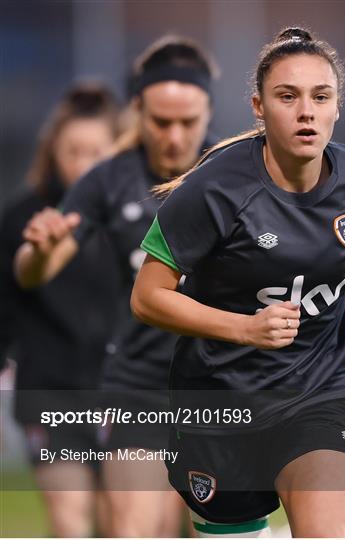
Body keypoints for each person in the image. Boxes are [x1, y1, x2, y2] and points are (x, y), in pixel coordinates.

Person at [130, 27, 345, 538]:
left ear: (338, 106)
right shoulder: (215, 189)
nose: (306, 112)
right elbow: (147, 298)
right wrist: (246, 329)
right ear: (258, 106)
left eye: (321, 97)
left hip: (319, 391)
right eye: (287, 96)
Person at [14, 35, 218, 537]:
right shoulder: (109, 179)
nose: (174, 136)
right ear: (137, 111)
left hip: (218, 382)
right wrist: (40, 248)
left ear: (208, 112)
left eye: (187, 122)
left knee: (205, 528)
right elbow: (32, 271)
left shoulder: (232, 173)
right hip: (138, 385)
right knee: (132, 529)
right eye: (160, 121)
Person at [0, 83, 120, 537]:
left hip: (124, 397)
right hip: (49, 397)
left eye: (96, 151)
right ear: (53, 152)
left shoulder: (139, 217)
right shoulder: (23, 221)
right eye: (73, 151)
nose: (83, 163)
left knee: (127, 527)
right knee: (71, 526)